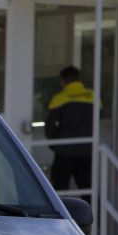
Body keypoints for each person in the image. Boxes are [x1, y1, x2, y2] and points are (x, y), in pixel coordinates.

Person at [45, 66, 94, 201]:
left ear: (63, 81)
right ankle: (95, 221)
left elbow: (49, 127)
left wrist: (56, 145)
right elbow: (97, 119)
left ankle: (60, 221)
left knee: (59, 194)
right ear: (79, 79)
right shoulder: (93, 96)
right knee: (89, 192)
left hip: (64, 152)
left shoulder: (59, 98)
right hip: (87, 152)